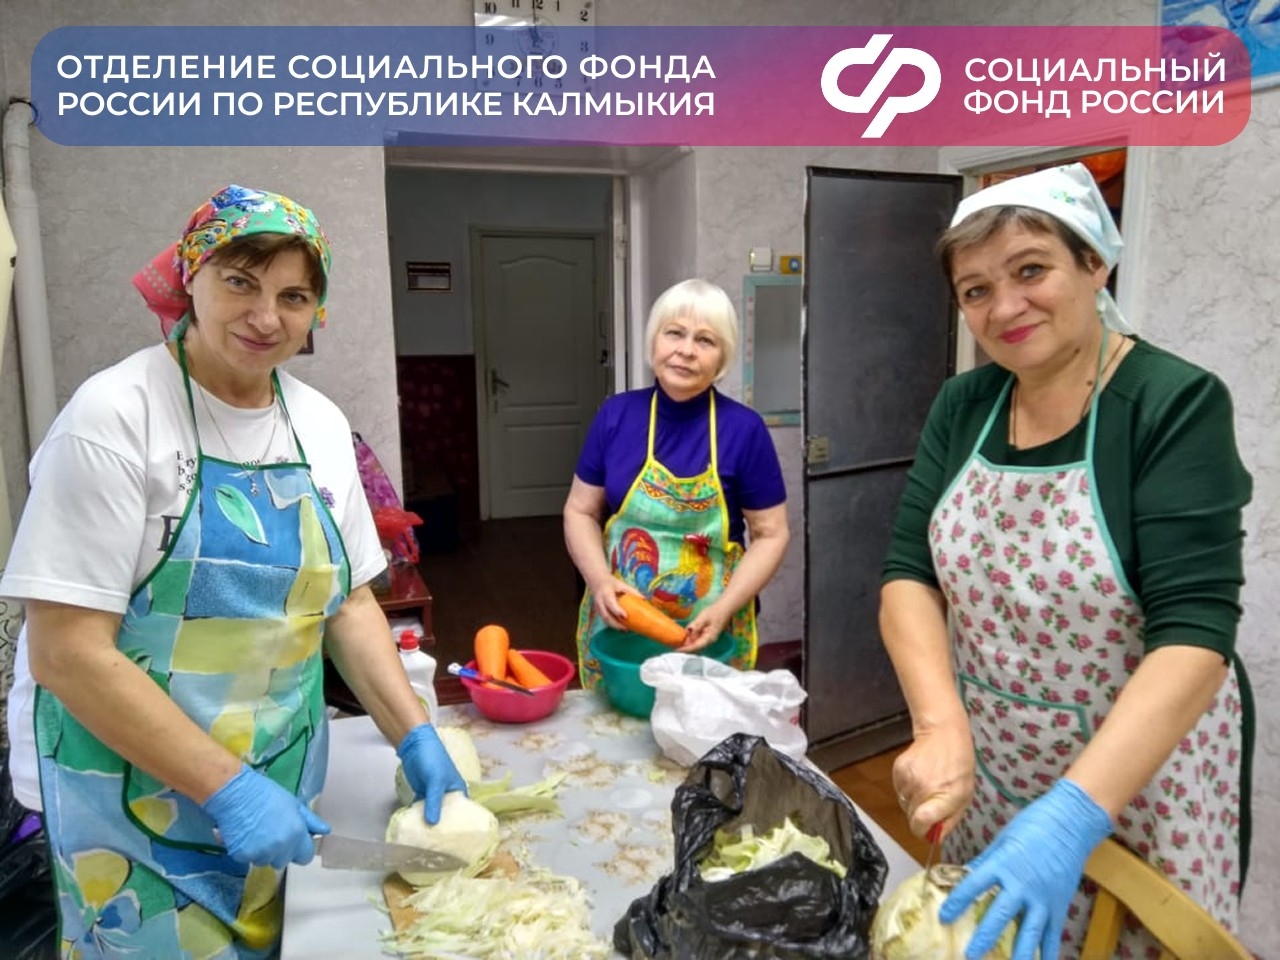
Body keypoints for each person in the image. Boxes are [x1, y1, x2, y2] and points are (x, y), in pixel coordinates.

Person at [0, 185, 465, 958]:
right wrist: (228, 787)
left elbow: (348, 605)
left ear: (317, 311)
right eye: (240, 282)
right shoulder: (115, 417)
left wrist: (413, 731)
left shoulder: (317, 425)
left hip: (277, 787)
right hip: (130, 802)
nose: (265, 317)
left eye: (294, 296)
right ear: (192, 277)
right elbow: (66, 652)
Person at [879, 162, 1253, 960]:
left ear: (1094, 263)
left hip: (1134, 782)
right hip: (993, 761)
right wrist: (939, 723)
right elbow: (908, 573)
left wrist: (1074, 812)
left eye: (1030, 270)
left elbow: (1196, 633)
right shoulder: (964, 405)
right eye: (976, 289)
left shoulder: (1171, 404)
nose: (1004, 307)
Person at [565, 278, 789, 685]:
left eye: (705, 340)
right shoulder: (616, 416)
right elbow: (580, 511)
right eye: (674, 333)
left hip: (711, 628)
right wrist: (599, 581)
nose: (686, 350)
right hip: (623, 620)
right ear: (654, 340)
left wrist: (724, 608)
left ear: (722, 357)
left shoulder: (745, 430)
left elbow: (771, 534)